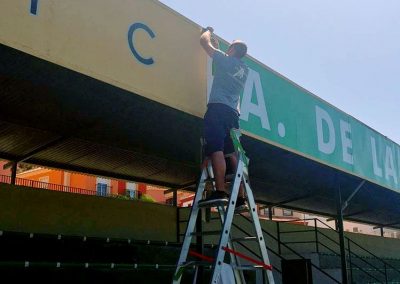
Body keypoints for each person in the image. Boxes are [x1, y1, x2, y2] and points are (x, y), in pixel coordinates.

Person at [198, 26, 249, 211]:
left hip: (217, 109)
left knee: (216, 148)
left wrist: (208, 32)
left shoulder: (226, 61)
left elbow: (204, 42)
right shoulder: (244, 69)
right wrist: (219, 48)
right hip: (233, 115)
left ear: (233, 50)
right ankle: (241, 197)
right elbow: (222, 60)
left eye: (230, 47)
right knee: (232, 153)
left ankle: (220, 192)